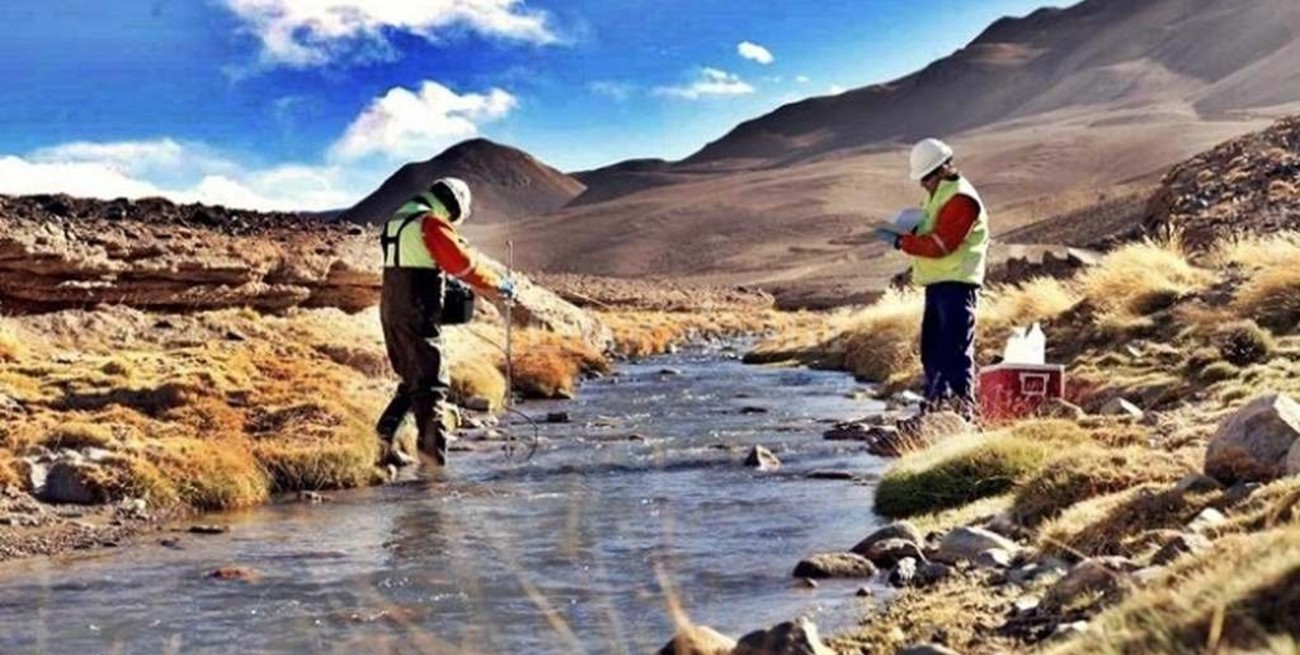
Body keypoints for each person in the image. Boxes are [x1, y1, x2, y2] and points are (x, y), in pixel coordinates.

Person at [375, 177, 516, 467]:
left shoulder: (400, 217)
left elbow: (413, 260)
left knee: (413, 380)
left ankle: (380, 444)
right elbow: (462, 264)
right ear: (453, 203)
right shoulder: (430, 221)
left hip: (392, 310)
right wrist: (498, 284)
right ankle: (433, 470)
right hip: (416, 313)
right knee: (432, 386)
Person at [874, 138, 990, 418]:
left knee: (954, 351)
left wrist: (903, 242)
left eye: (926, 177)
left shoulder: (961, 198)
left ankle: (962, 414)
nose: (922, 184)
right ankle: (935, 410)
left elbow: (942, 245)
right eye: (921, 179)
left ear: (943, 169)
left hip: (958, 284)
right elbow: (930, 234)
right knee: (933, 352)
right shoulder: (937, 195)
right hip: (939, 285)